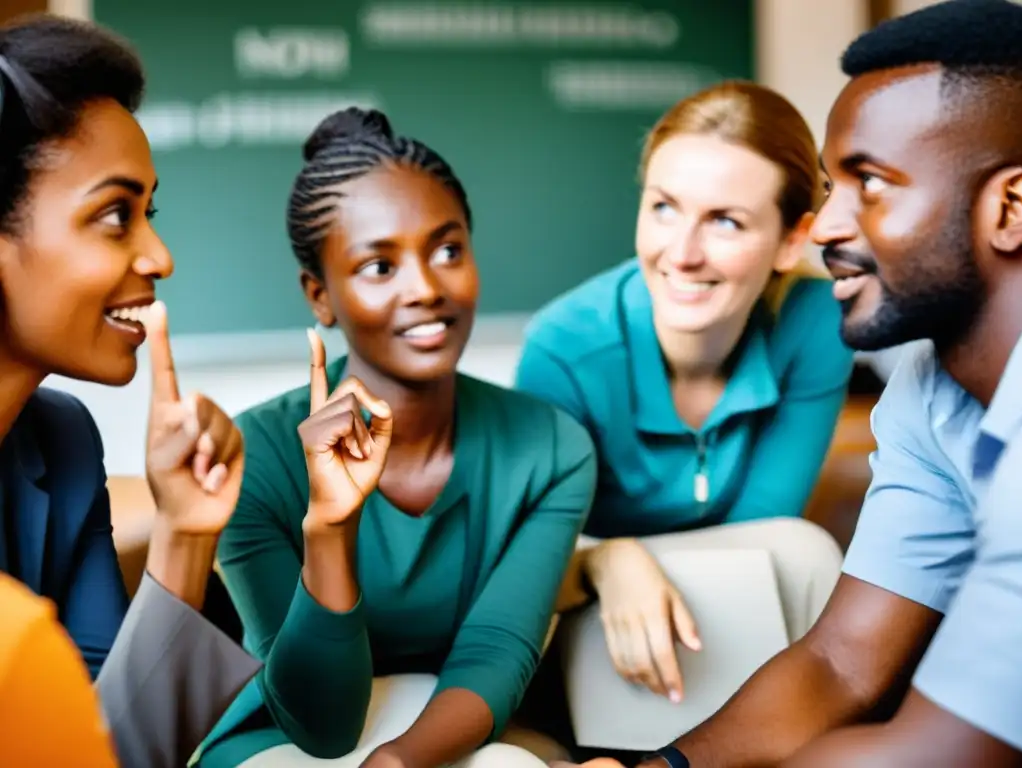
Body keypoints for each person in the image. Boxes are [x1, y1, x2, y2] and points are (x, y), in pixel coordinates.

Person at [562, 1, 1022, 765]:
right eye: (829, 185)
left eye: (869, 185)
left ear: (1010, 207)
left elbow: (952, 748)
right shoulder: (924, 389)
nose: (829, 227)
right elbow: (842, 663)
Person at [194, 107, 597, 768]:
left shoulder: (551, 449)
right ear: (320, 296)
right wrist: (330, 526)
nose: (427, 289)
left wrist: (402, 761)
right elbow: (321, 725)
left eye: (447, 250)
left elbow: (495, 654)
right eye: (380, 267)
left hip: (445, 729)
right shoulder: (256, 456)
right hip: (284, 741)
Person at [514, 80, 853, 706]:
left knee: (801, 552)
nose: (683, 253)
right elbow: (529, 568)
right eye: (664, 207)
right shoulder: (563, 347)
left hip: (733, 606)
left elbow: (768, 533)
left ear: (792, 240)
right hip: (589, 630)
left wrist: (617, 552)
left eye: (725, 220)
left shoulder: (817, 326)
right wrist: (602, 563)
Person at [0, 15, 260, 767]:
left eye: (150, 213)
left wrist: (185, 532)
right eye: (116, 215)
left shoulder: (65, 441)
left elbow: (105, 749)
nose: (160, 255)